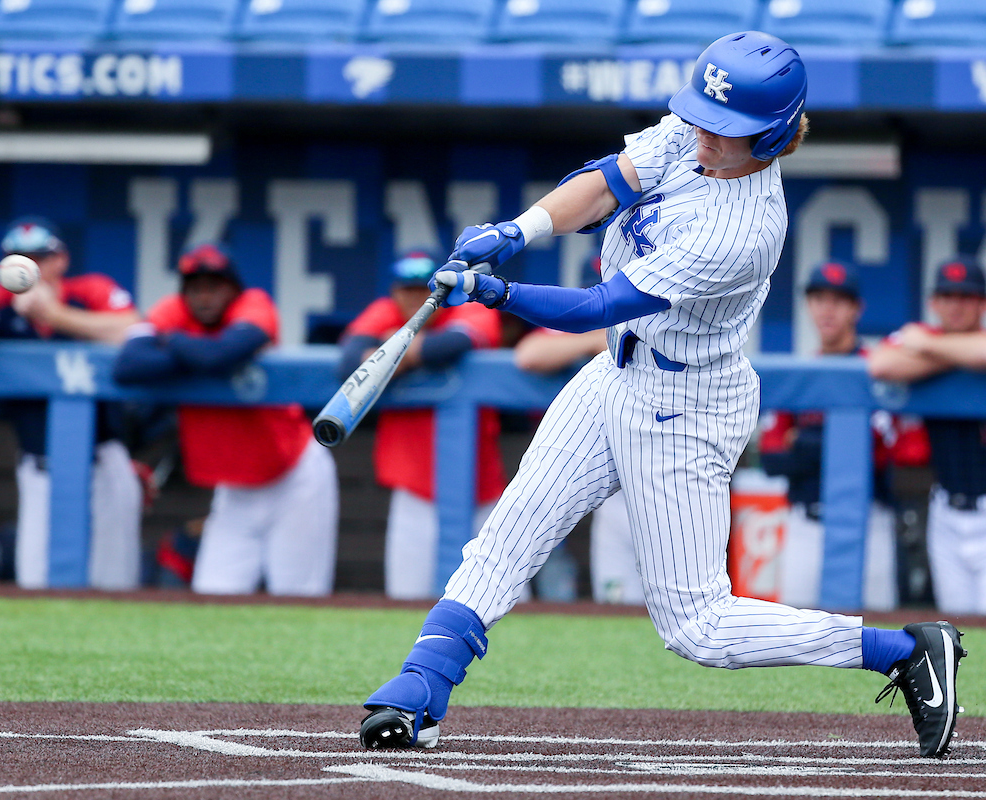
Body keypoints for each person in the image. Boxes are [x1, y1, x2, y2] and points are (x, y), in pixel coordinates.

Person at [357, 31, 965, 760]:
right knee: (509, 534)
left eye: (726, 131)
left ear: (769, 137)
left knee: (697, 627)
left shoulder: (742, 230)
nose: (704, 134)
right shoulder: (698, 126)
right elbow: (607, 180)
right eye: (702, 117)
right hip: (616, 373)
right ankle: (422, 683)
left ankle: (903, 650)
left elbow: (596, 307)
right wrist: (517, 229)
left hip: (684, 406)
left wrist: (496, 292)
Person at [113, 242, 338, 596]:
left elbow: (219, 356)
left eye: (214, 287)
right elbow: (128, 365)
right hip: (234, 489)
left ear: (233, 289)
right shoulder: (172, 309)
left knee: (298, 600)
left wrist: (170, 342)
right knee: (213, 596)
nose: (204, 297)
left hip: (295, 477)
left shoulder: (254, 305)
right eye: (195, 288)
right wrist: (191, 350)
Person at [0, 216, 143, 591]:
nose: (30, 265)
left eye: (40, 256)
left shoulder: (88, 290)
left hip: (102, 463)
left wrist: (56, 314)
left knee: (114, 586)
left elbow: (134, 328)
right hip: (38, 469)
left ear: (60, 260)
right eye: (19, 256)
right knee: (35, 583)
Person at [760, 262, 926, 610]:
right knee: (797, 633)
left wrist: (802, 440)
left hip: (869, 521)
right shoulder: (802, 372)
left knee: (873, 627)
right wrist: (826, 444)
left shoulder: (879, 367)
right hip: (805, 521)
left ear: (857, 309)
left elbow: (876, 455)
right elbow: (772, 458)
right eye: (818, 298)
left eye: (839, 300)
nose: (827, 309)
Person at [339, 251, 504, 599]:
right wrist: (409, 352)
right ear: (395, 292)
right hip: (413, 489)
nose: (416, 298)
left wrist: (393, 349)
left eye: (426, 288)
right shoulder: (385, 310)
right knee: (406, 601)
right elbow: (349, 361)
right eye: (407, 289)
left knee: (500, 599)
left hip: (481, 492)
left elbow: (453, 344)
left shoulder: (470, 308)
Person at [513, 264, 640, 605]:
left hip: (656, 474)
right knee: (615, 601)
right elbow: (528, 354)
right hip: (596, 475)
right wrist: (594, 340)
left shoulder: (659, 321)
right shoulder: (580, 329)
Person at [868, 257, 986, 615]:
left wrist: (930, 347)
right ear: (934, 302)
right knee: (959, 626)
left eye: (965, 296)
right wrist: (955, 353)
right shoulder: (926, 340)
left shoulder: (926, 342)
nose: (955, 305)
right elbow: (881, 364)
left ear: (981, 303)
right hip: (945, 507)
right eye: (947, 296)